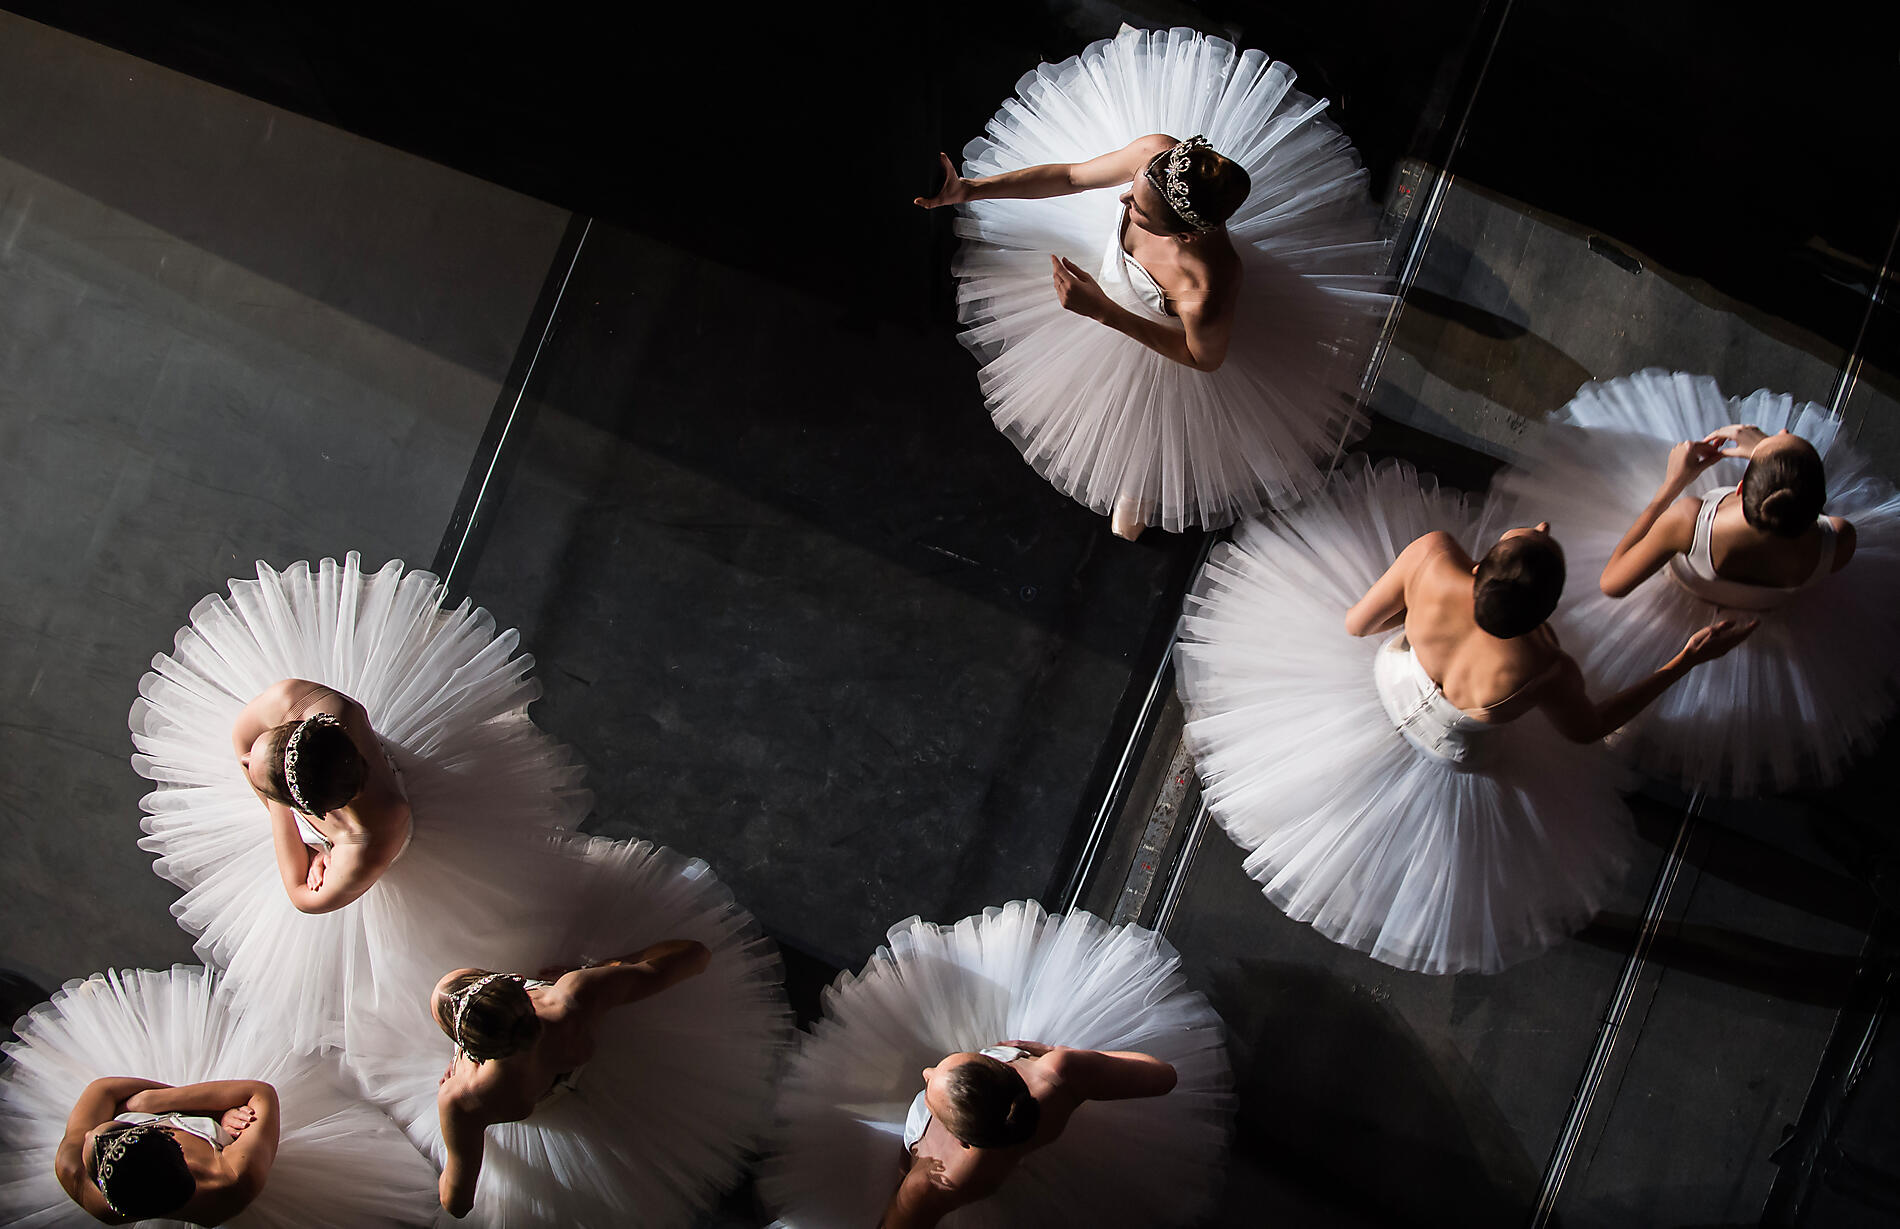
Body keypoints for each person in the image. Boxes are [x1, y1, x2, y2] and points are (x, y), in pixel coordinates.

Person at [1175, 459, 1752, 973]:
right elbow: (1588, 730)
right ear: (1544, 613)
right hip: (1452, 752)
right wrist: (1686, 659)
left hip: (1383, 685)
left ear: (1481, 571)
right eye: (1540, 534)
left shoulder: (1432, 557)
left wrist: (1417, 633)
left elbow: (1357, 624)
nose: (1545, 526)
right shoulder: (1545, 666)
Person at [919, 24, 1389, 538]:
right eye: (1133, 190)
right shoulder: (1154, 156)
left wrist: (1104, 312)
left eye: (1141, 211)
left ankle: (1139, 472)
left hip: (1144, 331)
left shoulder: (1207, 286)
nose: (1122, 202)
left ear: (1186, 236)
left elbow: (1202, 358)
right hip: (1101, 284)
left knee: (1148, 405)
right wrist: (969, 190)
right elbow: (1074, 177)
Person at [131, 552, 587, 1054]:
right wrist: (264, 780)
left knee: (493, 936)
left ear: (318, 808)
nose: (242, 769)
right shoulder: (322, 705)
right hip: (334, 793)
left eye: (264, 783)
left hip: (388, 833)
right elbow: (242, 736)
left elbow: (305, 897)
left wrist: (280, 813)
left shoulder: (373, 837)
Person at [346, 836, 789, 1229]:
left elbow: (458, 1202)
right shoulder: (575, 995)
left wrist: (457, 1092)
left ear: (467, 1048)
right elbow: (694, 955)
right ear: (512, 986)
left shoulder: (465, 1098)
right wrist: (607, 966)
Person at [1492, 370, 1900, 793]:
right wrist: (1769, 453)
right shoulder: (1840, 539)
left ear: (1740, 488)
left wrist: (1674, 483)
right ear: (1818, 503)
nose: (1777, 429)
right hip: (1759, 621)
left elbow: (1612, 583)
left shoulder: (1689, 521)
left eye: (1776, 439)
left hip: (1675, 609)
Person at [763, 902, 1232, 1228]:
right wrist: (1046, 1054)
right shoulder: (1058, 1074)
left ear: (962, 1138)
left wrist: (908, 1184)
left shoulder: (938, 1180)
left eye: (930, 1084)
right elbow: (1163, 1075)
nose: (926, 1072)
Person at [0, 965, 436, 1228]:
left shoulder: (82, 1178)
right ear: (175, 1145)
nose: (99, 1133)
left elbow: (103, 1089)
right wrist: (197, 1110)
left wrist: (155, 1103)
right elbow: (260, 1092)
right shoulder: (231, 1178)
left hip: (162, 1120)